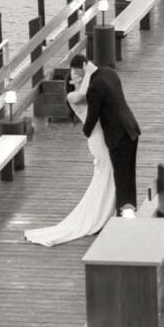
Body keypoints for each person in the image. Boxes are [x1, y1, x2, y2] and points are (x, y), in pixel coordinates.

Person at [24, 59, 116, 246]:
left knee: (107, 175)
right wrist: (90, 69)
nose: (77, 74)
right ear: (69, 82)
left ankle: (104, 212)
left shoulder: (87, 91)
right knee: (107, 173)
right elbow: (84, 92)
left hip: (102, 136)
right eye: (73, 75)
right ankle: (101, 215)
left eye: (78, 73)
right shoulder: (73, 96)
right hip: (98, 140)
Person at [72, 53, 140, 216]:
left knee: (121, 175)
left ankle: (123, 213)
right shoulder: (110, 72)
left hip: (117, 133)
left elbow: (93, 114)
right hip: (131, 126)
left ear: (83, 67)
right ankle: (130, 207)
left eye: (75, 70)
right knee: (129, 172)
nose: (75, 74)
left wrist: (86, 131)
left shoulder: (94, 85)